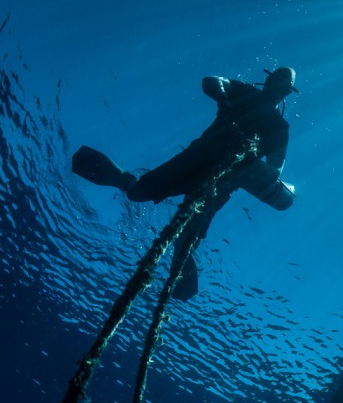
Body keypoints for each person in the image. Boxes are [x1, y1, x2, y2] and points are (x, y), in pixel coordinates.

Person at [71, 66, 300, 300]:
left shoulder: (279, 128)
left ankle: (181, 263)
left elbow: (274, 169)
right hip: (193, 159)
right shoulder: (244, 91)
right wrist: (223, 100)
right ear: (268, 79)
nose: (277, 88)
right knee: (137, 193)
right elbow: (211, 81)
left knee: (187, 237)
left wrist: (244, 161)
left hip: (220, 184)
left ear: (287, 92)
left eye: (283, 85)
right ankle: (120, 178)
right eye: (276, 80)